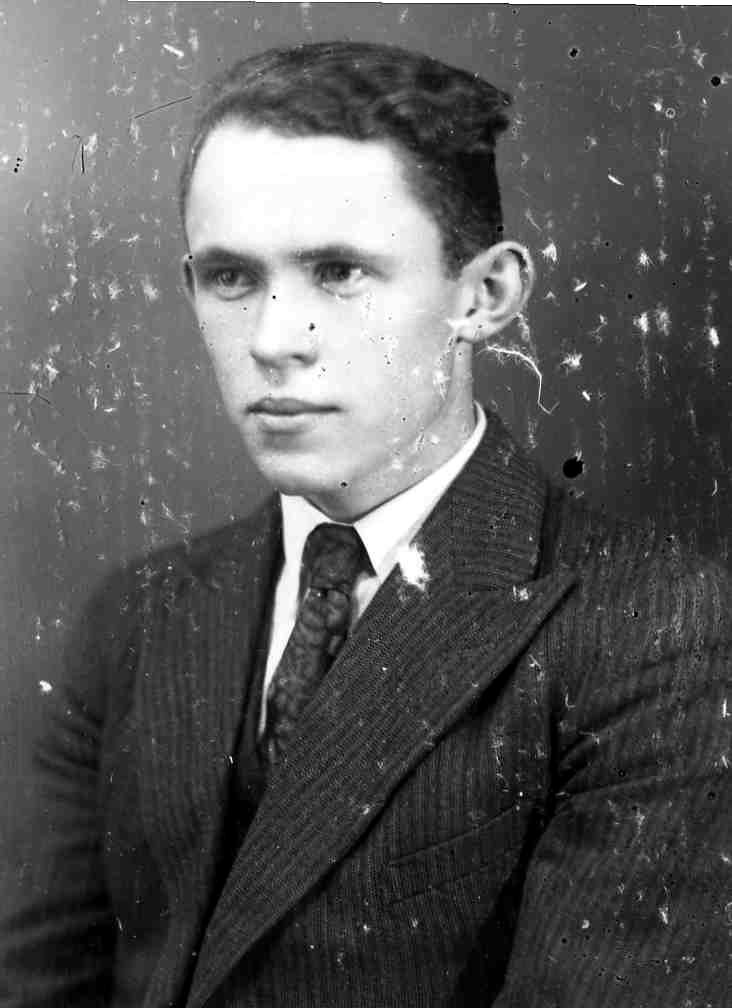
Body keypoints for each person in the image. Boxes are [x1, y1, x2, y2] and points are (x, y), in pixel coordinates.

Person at [1, 41, 729, 1008]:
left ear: (485, 296)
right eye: (230, 277)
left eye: (339, 271)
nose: (273, 340)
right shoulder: (137, 615)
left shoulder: (656, 625)